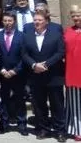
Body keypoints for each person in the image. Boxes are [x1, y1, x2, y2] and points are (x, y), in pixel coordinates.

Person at [24, 11, 67, 142]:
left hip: (54, 76)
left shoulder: (56, 34)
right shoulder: (28, 35)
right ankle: (44, 129)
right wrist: (34, 65)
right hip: (36, 75)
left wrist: (46, 64)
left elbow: (60, 52)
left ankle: (60, 131)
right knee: (39, 104)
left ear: (46, 22)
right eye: (35, 20)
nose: (36, 22)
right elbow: (24, 54)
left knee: (57, 104)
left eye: (40, 20)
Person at [0, 12, 28, 135]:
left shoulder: (22, 36)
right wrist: (1, 69)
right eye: (5, 21)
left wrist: (15, 70)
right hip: (2, 73)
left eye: (10, 21)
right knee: (3, 99)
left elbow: (25, 56)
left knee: (20, 99)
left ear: (14, 22)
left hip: (18, 73)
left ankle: (22, 124)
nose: (7, 23)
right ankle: (4, 123)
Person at [64, 6, 81, 140]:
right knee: (75, 103)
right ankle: (78, 129)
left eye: (78, 15)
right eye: (73, 16)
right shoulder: (67, 31)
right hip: (73, 71)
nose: (76, 18)